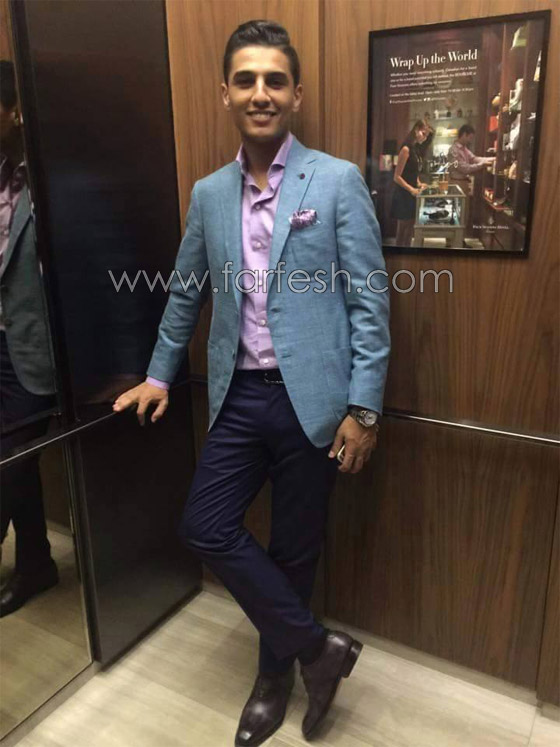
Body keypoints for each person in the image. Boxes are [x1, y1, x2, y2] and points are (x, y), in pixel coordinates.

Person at [113, 20, 390, 746]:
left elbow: (370, 301)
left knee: (296, 550)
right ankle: (319, 651)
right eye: (246, 80)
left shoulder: (336, 181)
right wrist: (159, 374)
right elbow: (185, 293)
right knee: (204, 523)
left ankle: (274, 680)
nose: (260, 93)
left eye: (274, 80)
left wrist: (364, 408)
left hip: (315, 403)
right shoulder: (209, 194)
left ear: (296, 94)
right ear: (226, 93)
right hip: (238, 397)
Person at [0, 60, 59, 617]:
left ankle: (35, 561)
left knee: (11, 460)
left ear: (14, 112)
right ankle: (36, 559)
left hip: (35, 349)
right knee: (14, 460)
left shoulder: (50, 175)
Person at [390, 120, 432, 247]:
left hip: (411, 193)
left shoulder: (415, 149)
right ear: (416, 130)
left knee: (409, 229)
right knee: (402, 229)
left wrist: (419, 184)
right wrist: (411, 189)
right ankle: (399, 255)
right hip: (404, 194)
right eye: (423, 133)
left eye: (426, 136)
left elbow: (413, 172)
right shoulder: (406, 149)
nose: (425, 138)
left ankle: (407, 253)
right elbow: (397, 176)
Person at [447, 125, 495, 232]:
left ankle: (460, 239)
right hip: (457, 184)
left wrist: (493, 159)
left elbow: (474, 158)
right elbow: (464, 168)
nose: (470, 140)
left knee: (463, 213)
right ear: (464, 135)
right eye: (470, 137)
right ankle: (452, 240)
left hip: (463, 184)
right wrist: (482, 165)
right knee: (456, 213)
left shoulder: (464, 149)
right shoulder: (454, 150)